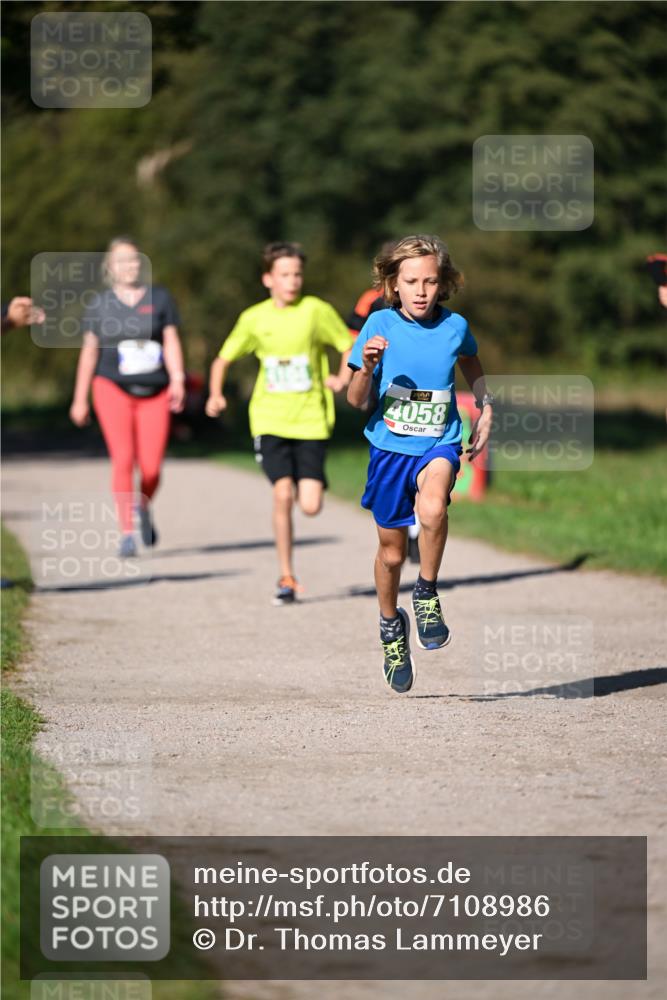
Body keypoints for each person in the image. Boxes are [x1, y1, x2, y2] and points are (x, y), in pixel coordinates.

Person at [347, 235, 493, 694]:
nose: (422, 290)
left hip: (439, 442)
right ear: (392, 283)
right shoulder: (378, 325)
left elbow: (472, 362)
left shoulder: (455, 327)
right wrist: (367, 368)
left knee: (432, 510)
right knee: (391, 553)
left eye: (431, 281)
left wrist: (486, 404)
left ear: (443, 282)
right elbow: (354, 400)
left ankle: (426, 592)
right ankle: (391, 627)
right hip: (389, 450)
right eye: (411, 281)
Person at [206, 241, 353, 605]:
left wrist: (342, 378)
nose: (293, 281)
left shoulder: (315, 311)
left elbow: (346, 343)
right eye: (285, 275)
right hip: (269, 419)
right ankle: (286, 576)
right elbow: (222, 360)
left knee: (311, 505)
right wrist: (215, 394)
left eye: (298, 274)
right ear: (268, 279)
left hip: (311, 420)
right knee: (281, 494)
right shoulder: (254, 318)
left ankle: (310, 490)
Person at [69, 237, 185, 557]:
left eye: (134, 260)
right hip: (111, 387)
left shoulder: (160, 299)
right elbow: (89, 353)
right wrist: (80, 399)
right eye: (122, 261)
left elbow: (172, 341)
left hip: (155, 391)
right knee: (123, 459)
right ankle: (127, 533)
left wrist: (177, 378)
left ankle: (143, 506)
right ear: (110, 267)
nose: (129, 266)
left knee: (151, 468)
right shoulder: (99, 304)